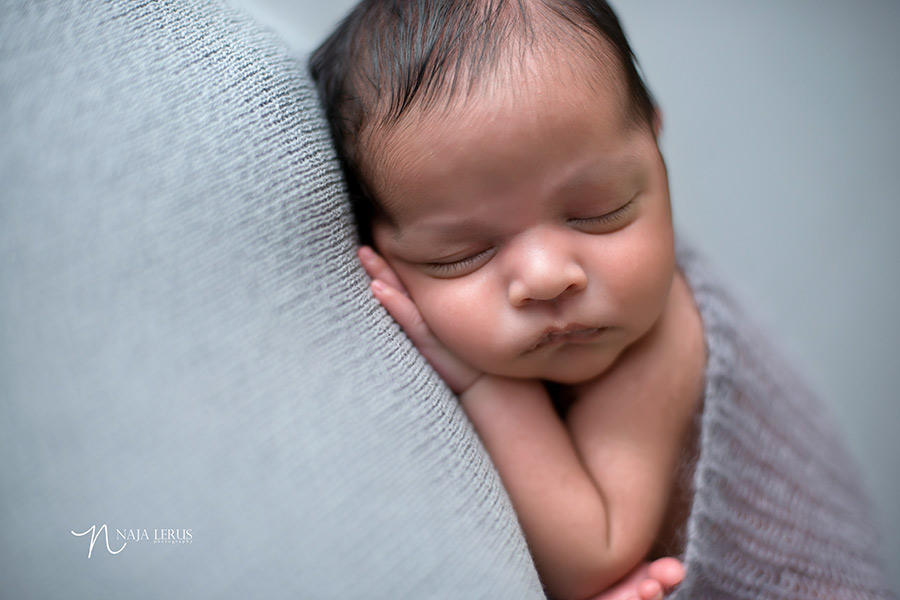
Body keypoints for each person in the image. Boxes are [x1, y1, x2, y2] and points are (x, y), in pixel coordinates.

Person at [310, 1, 894, 598]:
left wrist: (486, 388)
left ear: (657, 155)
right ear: (376, 244)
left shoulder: (663, 337)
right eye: (460, 255)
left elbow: (594, 553)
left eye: (600, 212)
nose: (546, 277)